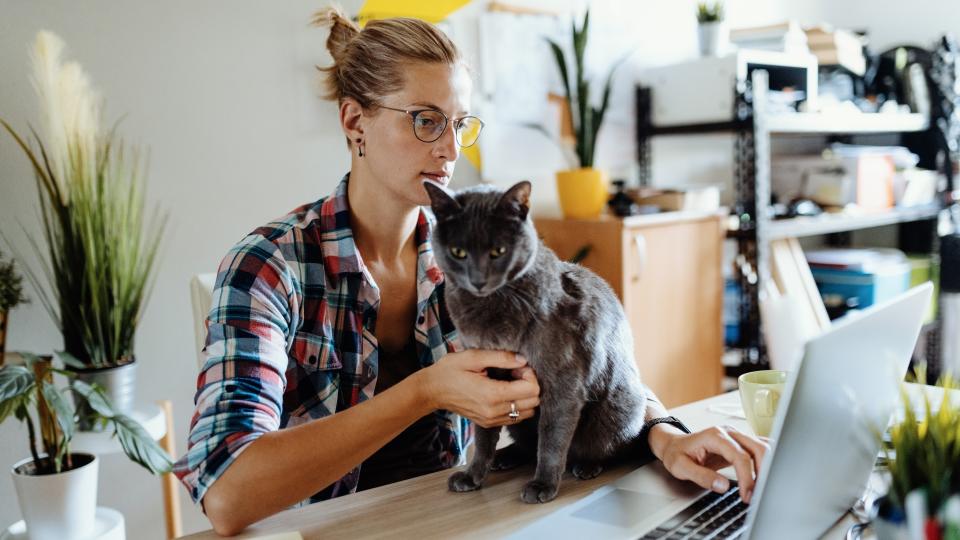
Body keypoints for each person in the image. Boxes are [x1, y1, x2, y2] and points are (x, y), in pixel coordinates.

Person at [173, 8, 770, 536]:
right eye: (425, 120)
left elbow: (587, 354)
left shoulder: (481, 246)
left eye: (459, 123)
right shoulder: (268, 267)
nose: (450, 149)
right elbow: (227, 493)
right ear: (355, 123)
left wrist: (665, 435)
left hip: (470, 514)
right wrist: (424, 391)